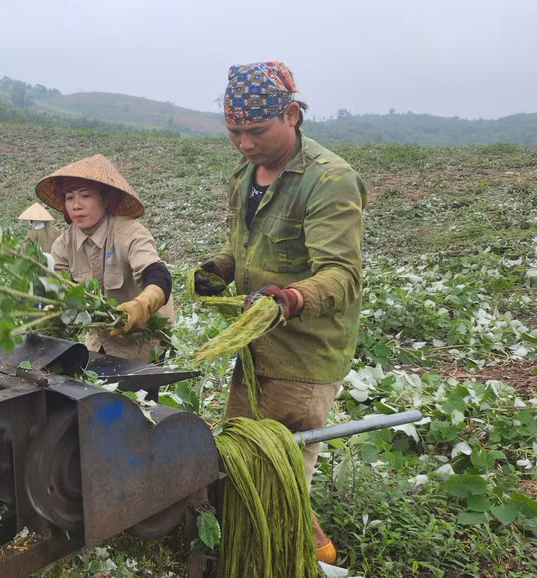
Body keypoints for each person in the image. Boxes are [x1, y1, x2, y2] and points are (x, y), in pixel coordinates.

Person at [193, 62, 366, 564]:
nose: (245, 143)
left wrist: (288, 299)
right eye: (234, 132)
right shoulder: (246, 175)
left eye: (256, 131)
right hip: (254, 348)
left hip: (302, 356)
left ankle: (303, 556)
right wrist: (217, 269)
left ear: (291, 114)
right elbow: (243, 247)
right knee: (244, 462)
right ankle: (284, 548)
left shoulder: (330, 180)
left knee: (276, 475)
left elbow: (341, 275)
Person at [36, 154, 173, 362]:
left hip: (143, 344)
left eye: (85, 196)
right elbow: (59, 289)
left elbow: (158, 275)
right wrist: (51, 310)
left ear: (106, 199)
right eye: (70, 197)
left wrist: (142, 306)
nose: (76, 205)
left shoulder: (130, 234)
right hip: (100, 340)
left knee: (140, 393)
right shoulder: (63, 245)